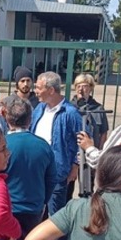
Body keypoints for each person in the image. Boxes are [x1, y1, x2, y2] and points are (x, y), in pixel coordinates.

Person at [3, 97, 56, 240]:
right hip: (34, 206)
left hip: (9, 207)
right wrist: (44, 199)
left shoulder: (3, 144)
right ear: (30, 119)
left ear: (7, 118)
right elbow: (52, 177)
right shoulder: (42, 146)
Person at [32, 71, 84, 215]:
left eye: (38, 88)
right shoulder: (39, 108)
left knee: (55, 214)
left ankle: (56, 239)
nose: (35, 91)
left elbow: (82, 141)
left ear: (51, 90)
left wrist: (75, 166)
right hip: (37, 169)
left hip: (57, 172)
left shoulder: (70, 113)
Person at [71, 73, 109, 150]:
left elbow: (103, 133)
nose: (80, 89)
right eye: (78, 86)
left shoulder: (98, 108)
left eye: (84, 86)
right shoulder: (69, 108)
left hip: (91, 152)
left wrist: (99, 151)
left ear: (91, 88)